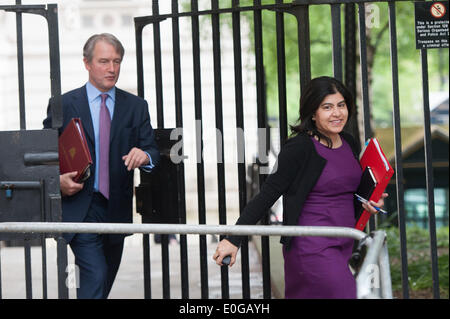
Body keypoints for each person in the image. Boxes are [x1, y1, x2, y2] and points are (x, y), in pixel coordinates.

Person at [213, 76, 387, 299]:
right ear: (313, 113)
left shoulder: (349, 142)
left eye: (341, 105)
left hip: (344, 242)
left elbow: (348, 192)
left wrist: (368, 201)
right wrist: (232, 238)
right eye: (327, 107)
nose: (337, 113)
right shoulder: (299, 148)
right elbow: (267, 194)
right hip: (311, 246)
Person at [43, 33, 160, 299]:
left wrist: (145, 155)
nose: (111, 68)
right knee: (95, 274)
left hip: (116, 209)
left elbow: (152, 149)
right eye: (104, 61)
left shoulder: (136, 106)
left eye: (117, 61)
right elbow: (44, 155)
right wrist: (57, 180)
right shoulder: (63, 105)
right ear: (87, 63)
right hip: (80, 208)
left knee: (102, 279)